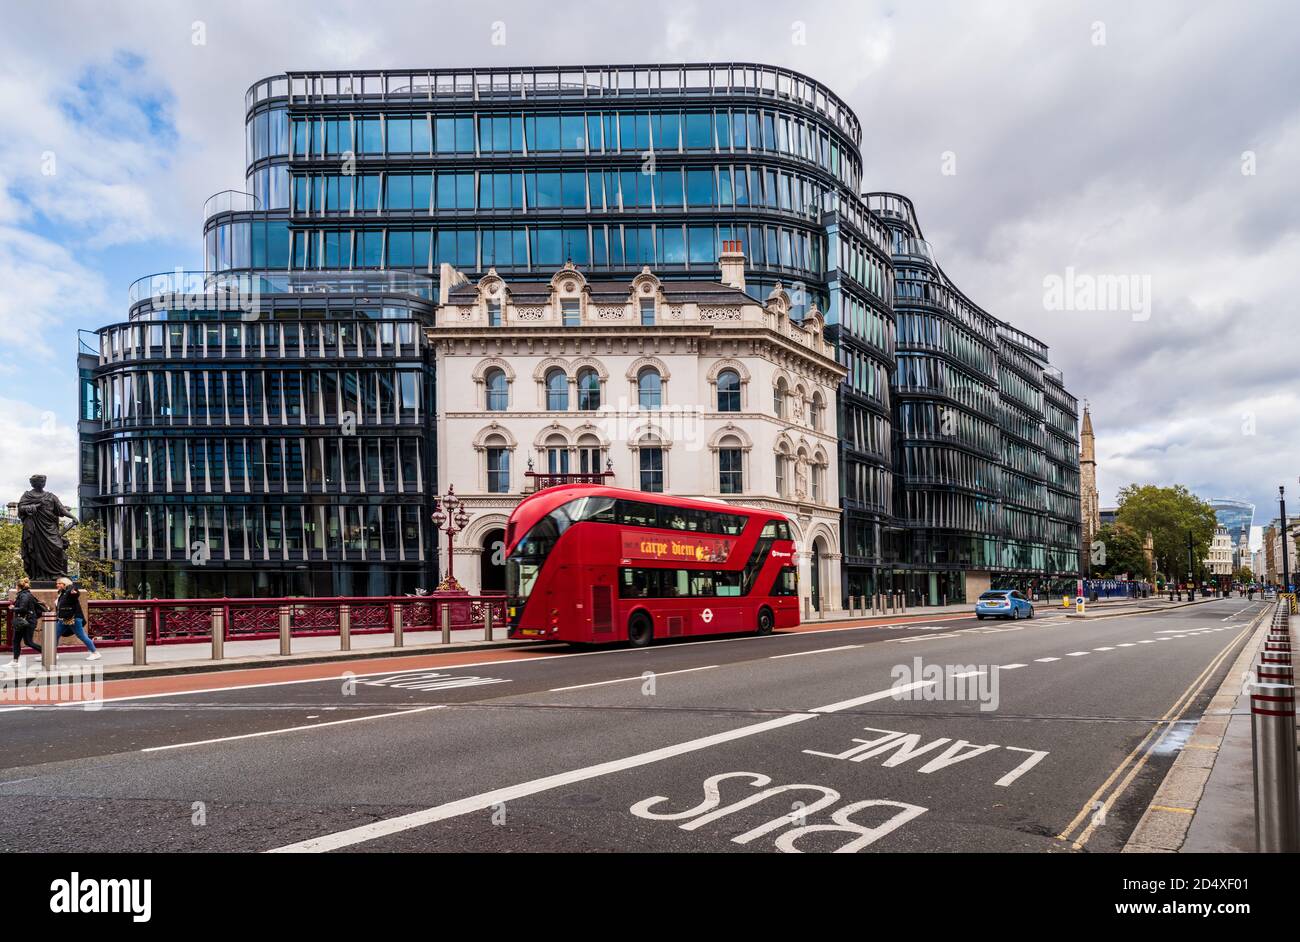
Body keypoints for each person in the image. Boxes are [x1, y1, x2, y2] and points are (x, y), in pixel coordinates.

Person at [53, 577, 99, 661]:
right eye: (57, 583)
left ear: (65, 584)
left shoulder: (70, 591)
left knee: (81, 636)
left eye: (59, 583)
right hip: (63, 619)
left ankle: (95, 653)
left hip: (73, 618)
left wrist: (74, 591)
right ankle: (51, 654)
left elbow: (75, 592)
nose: (57, 585)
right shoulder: (62, 593)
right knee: (54, 635)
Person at [7, 577, 45, 666]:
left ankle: (48, 653)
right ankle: (15, 661)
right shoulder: (27, 594)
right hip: (28, 620)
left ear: (18, 586)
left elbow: (23, 608)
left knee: (26, 641)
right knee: (18, 640)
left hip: (25, 621)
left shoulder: (24, 595)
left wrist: (13, 608)